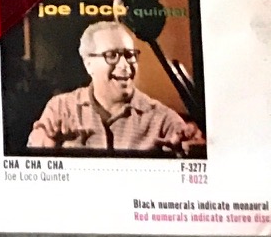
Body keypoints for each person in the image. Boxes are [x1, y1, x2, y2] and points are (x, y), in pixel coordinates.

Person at [28, 20, 203, 153]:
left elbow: (191, 146)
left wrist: (192, 148)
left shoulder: (162, 119)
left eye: (129, 55)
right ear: (88, 64)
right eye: (111, 55)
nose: (124, 65)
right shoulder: (61, 109)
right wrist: (48, 147)